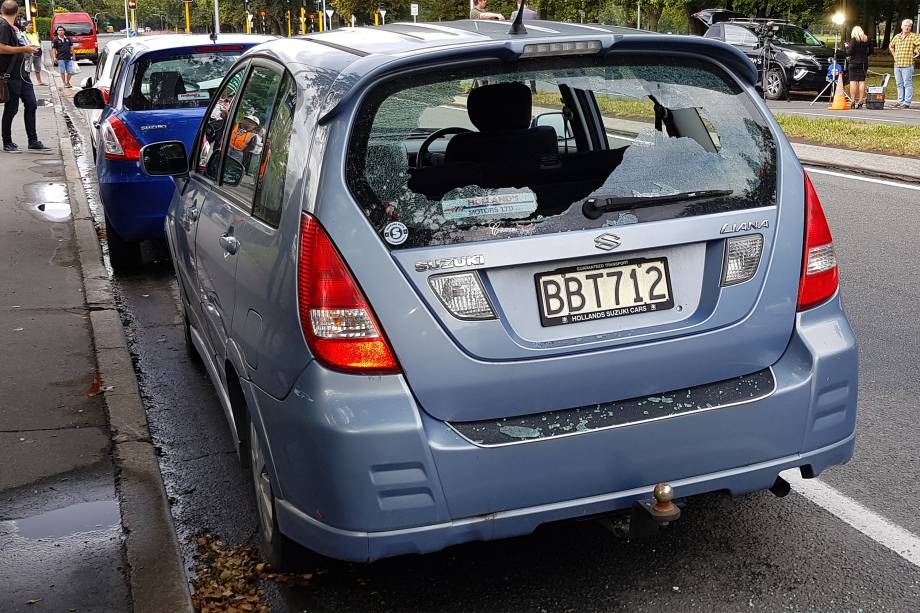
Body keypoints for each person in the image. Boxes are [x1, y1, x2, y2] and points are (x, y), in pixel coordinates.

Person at [0, 0, 48, 153]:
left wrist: (26, 49)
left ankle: (33, 141)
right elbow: (1, 47)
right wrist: (23, 48)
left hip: (22, 74)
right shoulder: (3, 26)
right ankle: (7, 142)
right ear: (18, 12)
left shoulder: (14, 27)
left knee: (31, 104)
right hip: (10, 75)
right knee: (11, 108)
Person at [888, 18, 920, 108]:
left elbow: (919, 45)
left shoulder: (913, 36)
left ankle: (906, 102)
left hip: (908, 64)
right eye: (905, 25)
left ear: (911, 27)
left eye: (909, 26)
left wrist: (916, 51)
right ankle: (900, 101)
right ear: (901, 26)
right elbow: (891, 45)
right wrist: (894, 55)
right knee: (899, 84)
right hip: (897, 64)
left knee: (907, 83)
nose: (907, 27)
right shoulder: (897, 36)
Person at [846, 25, 871, 108]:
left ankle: (852, 99)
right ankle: (861, 100)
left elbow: (849, 52)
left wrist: (847, 47)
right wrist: (865, 55)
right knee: (861, 81)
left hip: (853, 63)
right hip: (863, 63)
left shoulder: (853, 40)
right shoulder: (867, 39)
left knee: (853, 81)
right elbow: (871, 51)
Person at [23, 21, 43, 86]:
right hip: (29, 51)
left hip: (38, 50)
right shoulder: (23, 34)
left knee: (38, 67)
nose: (32, 26)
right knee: (28, 68)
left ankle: (39, 81)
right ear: (26, 26)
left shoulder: (35, 33)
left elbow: (38, 41)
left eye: (32, 25)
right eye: (30, 25)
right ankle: (27, 81)